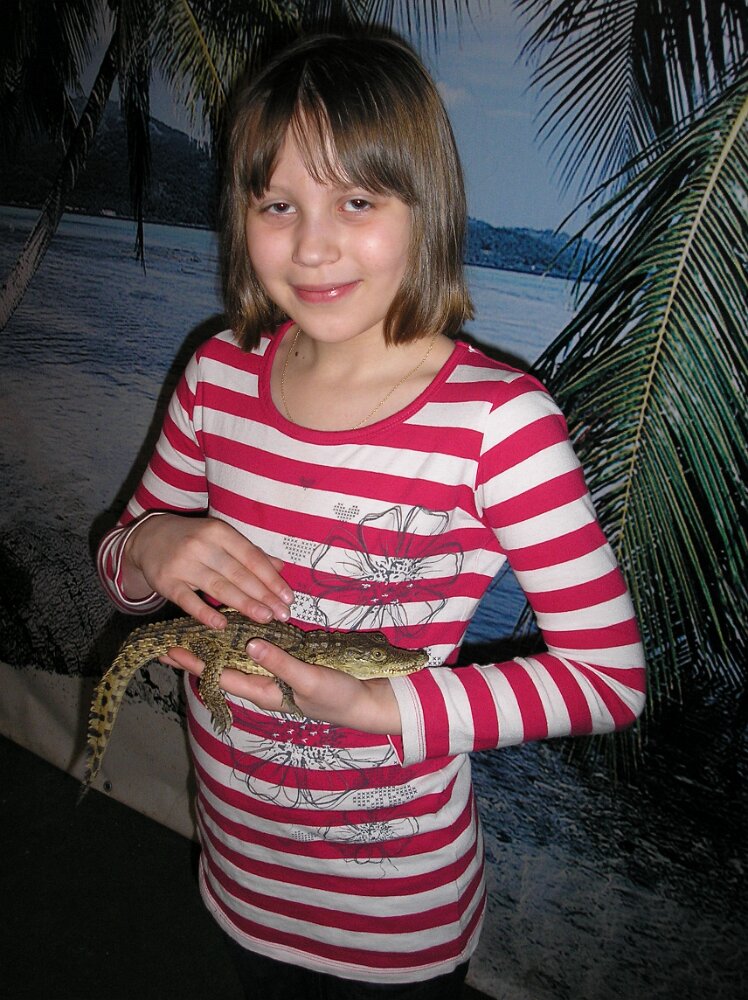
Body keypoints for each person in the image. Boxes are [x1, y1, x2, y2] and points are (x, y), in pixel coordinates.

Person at [96, 32, 645, 1000]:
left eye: (356, 201)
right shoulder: (217, 374)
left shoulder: (500, 424)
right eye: (277, 204)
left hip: (395, 919)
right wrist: (149, 541)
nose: (312, 246)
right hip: (237, 871)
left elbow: (608, 681)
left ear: (423, 208)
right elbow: (123, 572)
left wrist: (369, 707)